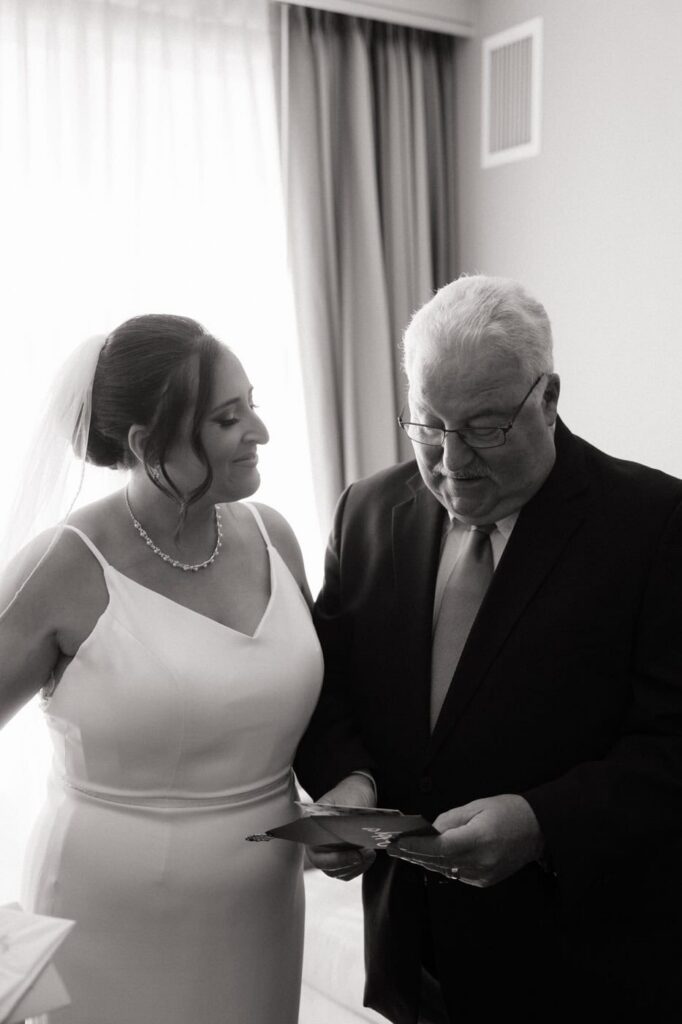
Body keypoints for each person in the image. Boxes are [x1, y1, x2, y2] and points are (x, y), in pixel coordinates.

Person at [295, 275, 682, 1023]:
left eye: (484, 427)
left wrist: (544, 822)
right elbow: (329, 684)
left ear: (548, 397)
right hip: (412, 949)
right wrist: (347, 782)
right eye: (428, 426)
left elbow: (672, 743)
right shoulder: (367, 511)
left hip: (585, 960)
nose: (452, 460)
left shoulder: (655, 526)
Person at [0, 314, 323, 1024]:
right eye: (226, 419)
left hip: (262, 908)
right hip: (107, 915)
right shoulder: (64, 566)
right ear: (147, 444)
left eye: (253, 405)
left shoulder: (274, 535)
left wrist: (347, 794)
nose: (261, 433)